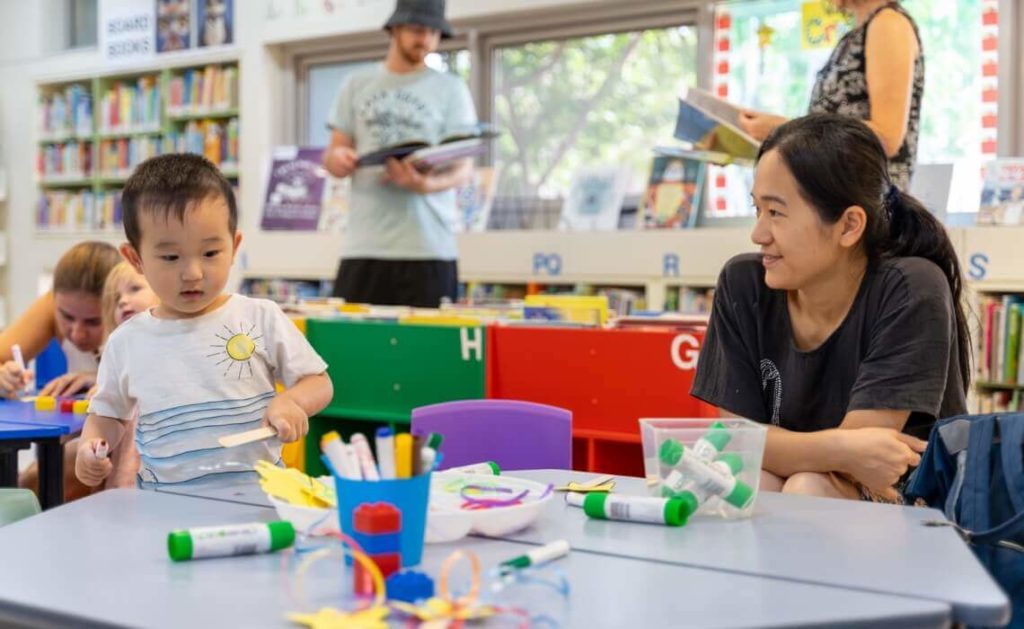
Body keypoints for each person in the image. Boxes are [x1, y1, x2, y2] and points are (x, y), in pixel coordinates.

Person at [691, 114, 969, 502]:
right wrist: (840, 448)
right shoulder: (743, 283)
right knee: (755, 483)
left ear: (849, 225)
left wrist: (810, 450)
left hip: (914, 508)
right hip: (813, 489)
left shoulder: (911, 287)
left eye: (776, 213)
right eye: (757, 210)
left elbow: (868, 464)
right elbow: (737, 443)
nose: (758, 234)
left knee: (806, 485)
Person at [75, 154, 333, 489]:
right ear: (135, 258)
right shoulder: (126, 341)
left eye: (211, 253)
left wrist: (292, 400)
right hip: (164, 509)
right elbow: (107, 415)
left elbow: (319, 382)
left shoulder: (260, 316)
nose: (193, 273)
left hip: (258, 501)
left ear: (234, 245)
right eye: (170, 257)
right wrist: (89, 448)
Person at [322, 0, 478, 307]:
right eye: (418, 30)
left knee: (430, 352)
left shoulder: (452, 89)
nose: (427, 40)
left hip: (429, 247)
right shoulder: (356, 83)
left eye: (435, 33)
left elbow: (464, 169)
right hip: (364, 246)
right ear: (395, 28)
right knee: (354, 348)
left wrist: (424, 185)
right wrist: (339, 159)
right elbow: (333, 153)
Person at [738, 0, 923, 190]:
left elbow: (887, 137)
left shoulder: (888, 24)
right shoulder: (856, 34)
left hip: (865, 204)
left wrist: (784, 129)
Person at [0, 241, 121, 398]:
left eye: (93, 321)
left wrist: (104, 381)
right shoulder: (50, 304)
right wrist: (4, 378)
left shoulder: (139, 312)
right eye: (67, 317)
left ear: (119, 304)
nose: (78, 334)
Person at [96, 262, 160, 488]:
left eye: (134, 289)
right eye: (116, 299)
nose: (123, 300)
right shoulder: (119, 354)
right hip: (129, 462)